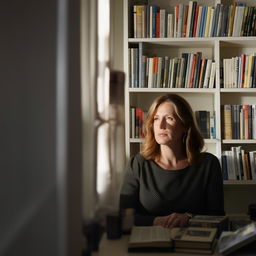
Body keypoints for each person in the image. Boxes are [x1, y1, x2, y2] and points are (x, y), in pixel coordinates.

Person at [119, 93, 224, 228]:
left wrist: (189, 218)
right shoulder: (138, 164)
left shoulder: (208, 164)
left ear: (185, 126)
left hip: (195, 245)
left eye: (169, 118)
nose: (161, 125)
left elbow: (217, 216)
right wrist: (155, 221)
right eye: (156, 119)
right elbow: (123, 217)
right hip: (148, 244)